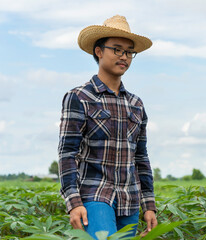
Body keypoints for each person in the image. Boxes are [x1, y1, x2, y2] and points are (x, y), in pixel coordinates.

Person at [58, 15, 157, 238]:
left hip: (129, 199)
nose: (124, 57)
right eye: (117, 49)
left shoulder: (136, 104)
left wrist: (149, 204)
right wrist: (73, 202)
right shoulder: (79, 97)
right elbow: (67, 153)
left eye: (129, 52)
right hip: (94, 195)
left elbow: (141, 157)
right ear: (99, 51)